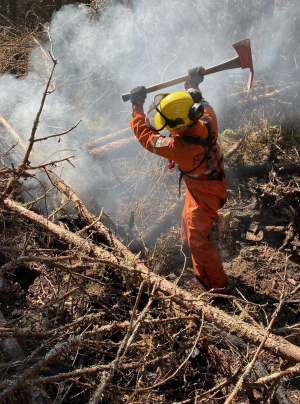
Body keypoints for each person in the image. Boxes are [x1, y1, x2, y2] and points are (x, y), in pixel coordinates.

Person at [129, 67, 228, 293]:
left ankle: (218, 288)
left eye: (170, 124)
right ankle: (188, 251)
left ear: (181, 124)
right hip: (206, 182)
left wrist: (137, 108)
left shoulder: (180, 147)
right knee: (187, 218)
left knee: (197, 239)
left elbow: (147, 138)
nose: (167, 128)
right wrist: (193, 84)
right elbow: (198, 97)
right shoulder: (207, 116)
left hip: (206, 193)